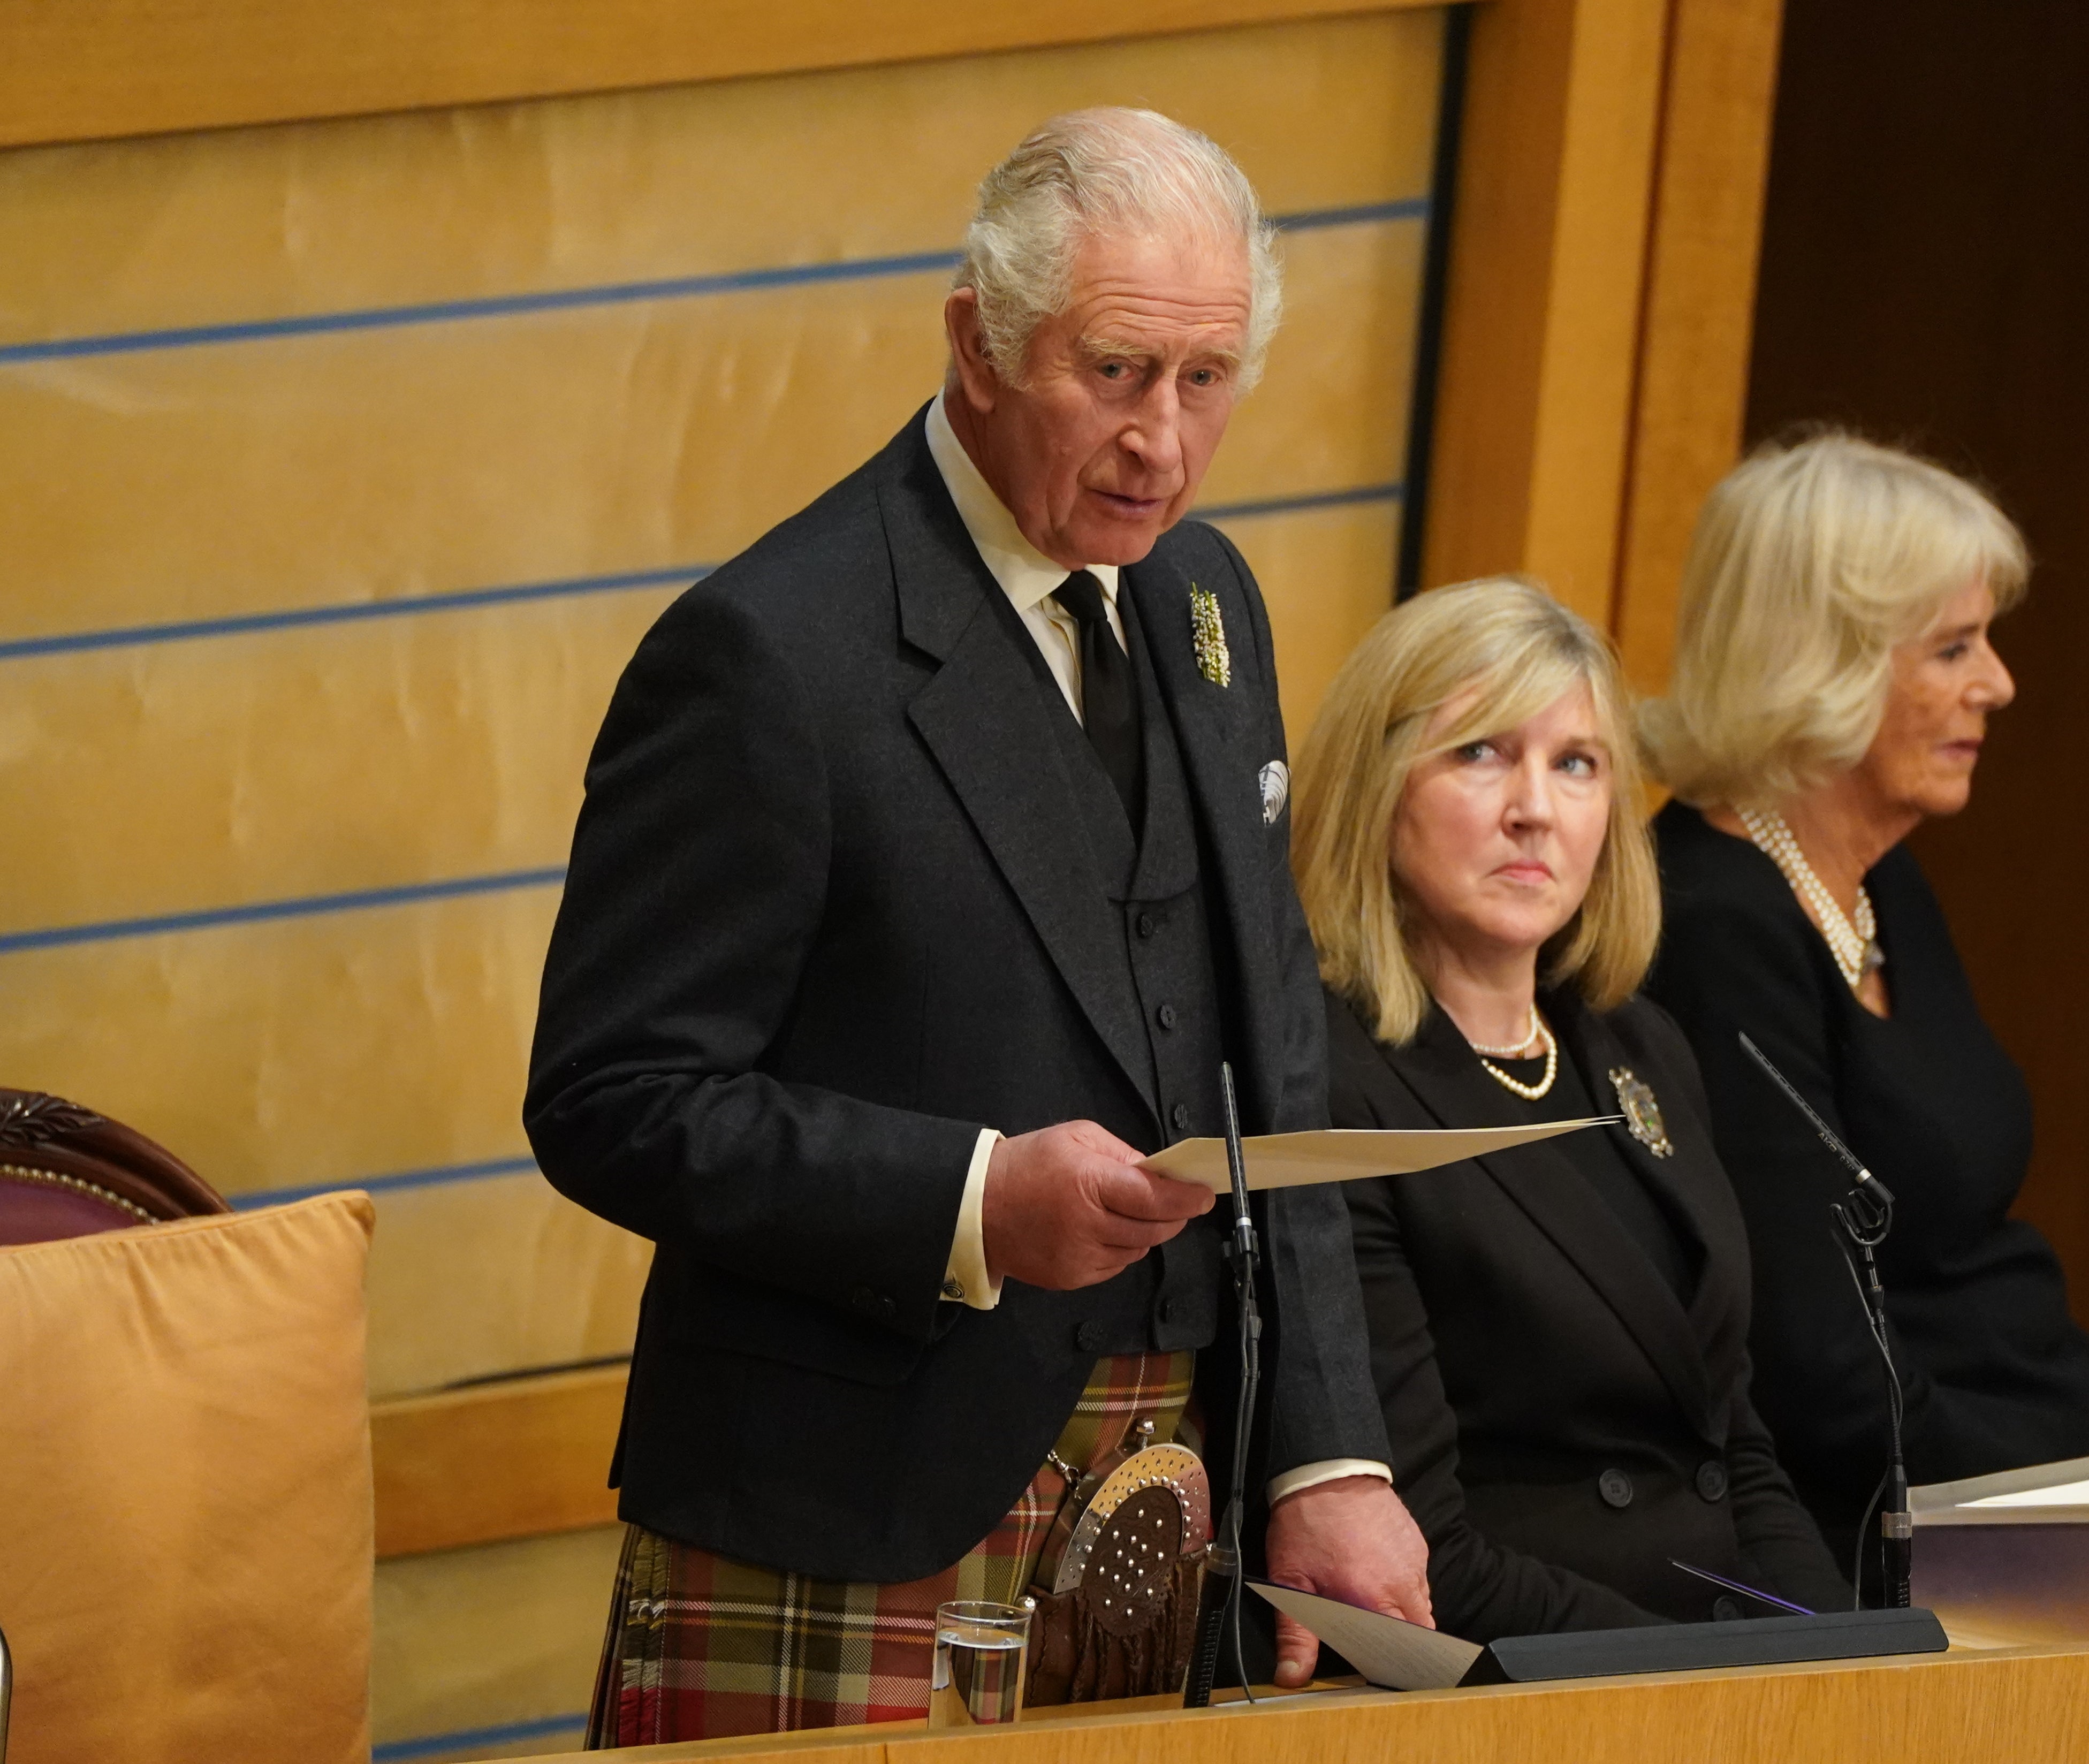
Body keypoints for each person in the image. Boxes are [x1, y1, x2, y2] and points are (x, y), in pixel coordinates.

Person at [525, 109, 1429, 1743]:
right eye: (1116, 373)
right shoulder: (770, 653)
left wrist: (1326, 1454)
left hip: (1178, 1497)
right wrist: (967, 1199)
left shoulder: (1207, 602)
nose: (1163, 440)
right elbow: (613, 1101)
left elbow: (1271, 1065)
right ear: (980, 342)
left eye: (1206, 381)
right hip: (847, 1512)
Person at [1640, 431, 2089, 1570]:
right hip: (1877, 1537)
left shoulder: (1881, 882)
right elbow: (1815, 1369)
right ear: (1822, 664)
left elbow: (1957, 1246)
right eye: (1955, 647)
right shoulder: (1714, 928)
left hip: (2026, 1464)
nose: (1999, 682)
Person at [1290, 578, 1853, 1640]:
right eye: (1480, 753)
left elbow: (1730, 1442)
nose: (1534, 809)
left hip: (1710, 1650)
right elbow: (1425, 1549)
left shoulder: (1638, 1044)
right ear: (1379, 787)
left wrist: (1834, 1653)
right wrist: (1710, 1685)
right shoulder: (1326, 1079)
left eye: (1576, 764)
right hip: (1519, 1676)